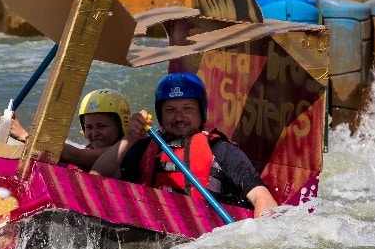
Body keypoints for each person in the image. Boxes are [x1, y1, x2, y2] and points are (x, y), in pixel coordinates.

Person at [90, 72, 278, 218]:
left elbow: (261, 196)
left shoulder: (221, 150)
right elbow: (96, 177)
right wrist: (129, 138)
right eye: (170, 110)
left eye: (187, 109)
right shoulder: (143, 147)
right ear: (160, 115)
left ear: (201, 112)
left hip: (202, 236)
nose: (179, 117)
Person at [9, 89, 131, 171]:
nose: (94, 133)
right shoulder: (91, 149)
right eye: (89, 127)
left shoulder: (125, 149)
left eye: (101, 126)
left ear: (121, 126)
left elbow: (77, 155)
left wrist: (24, 135)